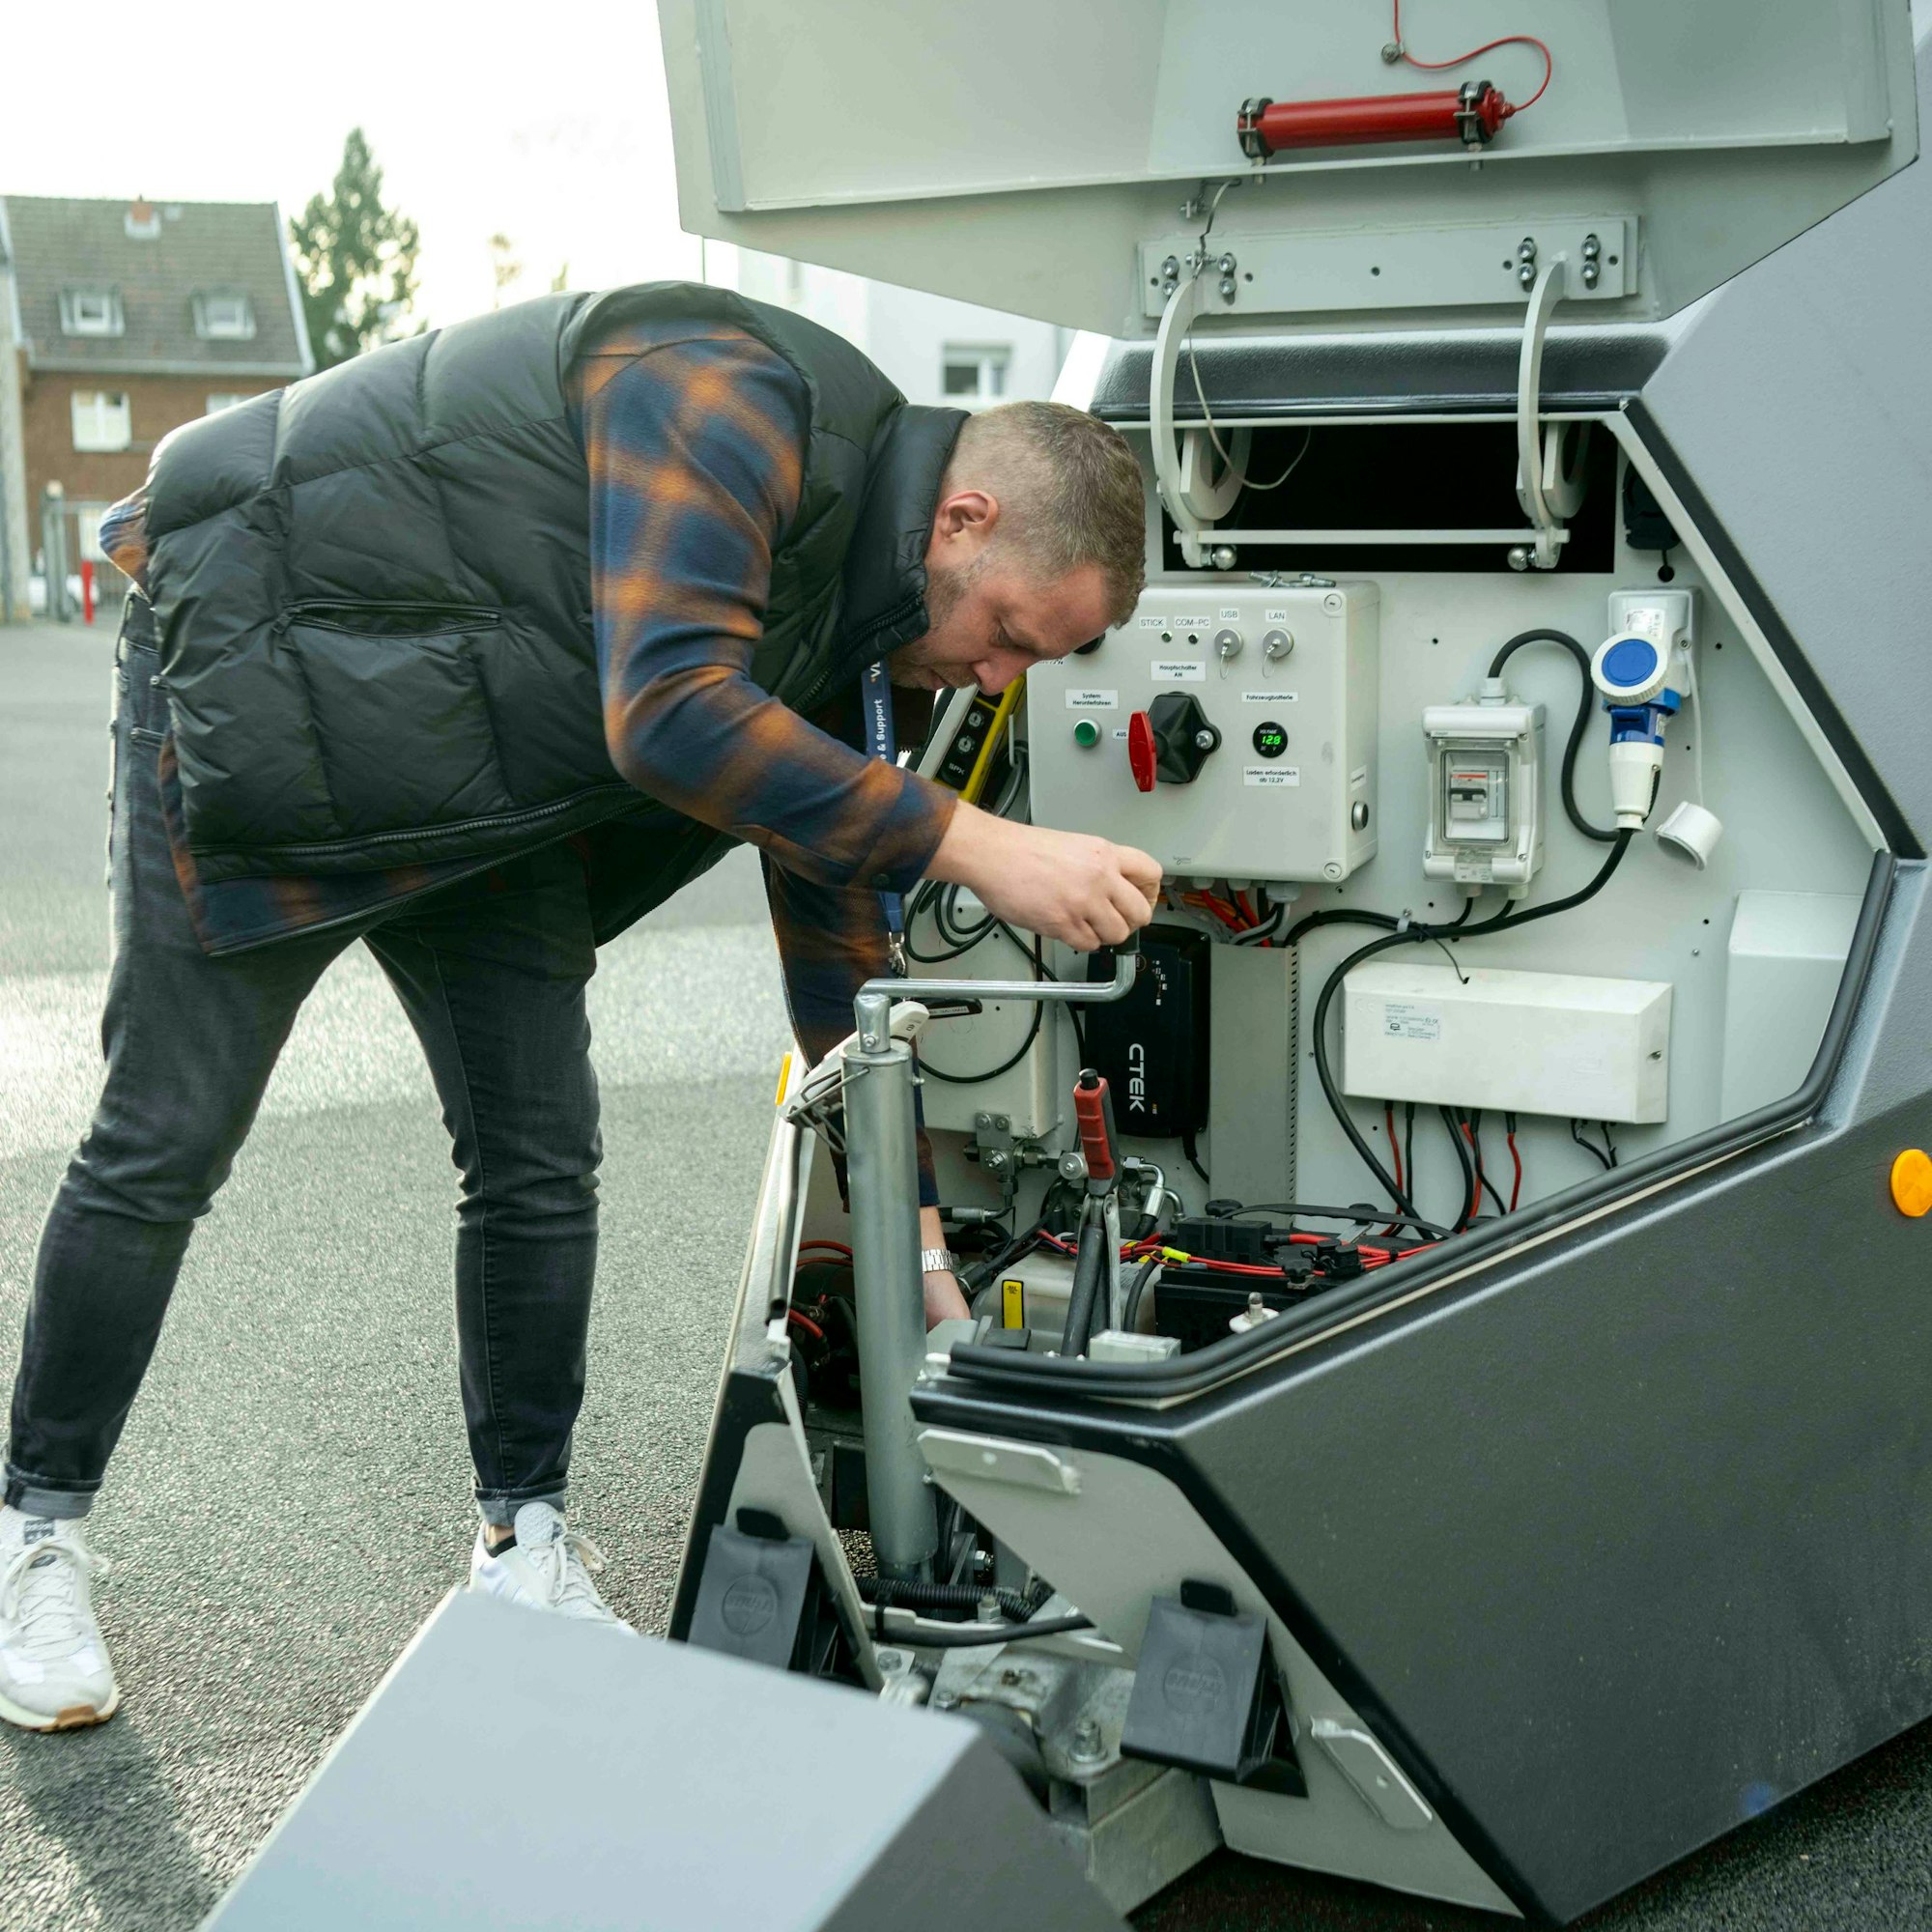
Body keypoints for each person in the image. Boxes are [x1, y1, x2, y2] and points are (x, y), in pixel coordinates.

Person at [0, 283, 1160, 1731]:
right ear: (967, 520)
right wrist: (982, 840)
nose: (997, 678)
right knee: (166, 1136)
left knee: (540, 1154)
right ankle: (34, 1538)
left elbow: (833, 903)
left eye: (1030, 665)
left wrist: (909, 1223)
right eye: (1007, 638)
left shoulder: (877, 604)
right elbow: (670, 708)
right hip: (257, 680)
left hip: (475, 784)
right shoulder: (734, 396)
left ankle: (521, 1544)